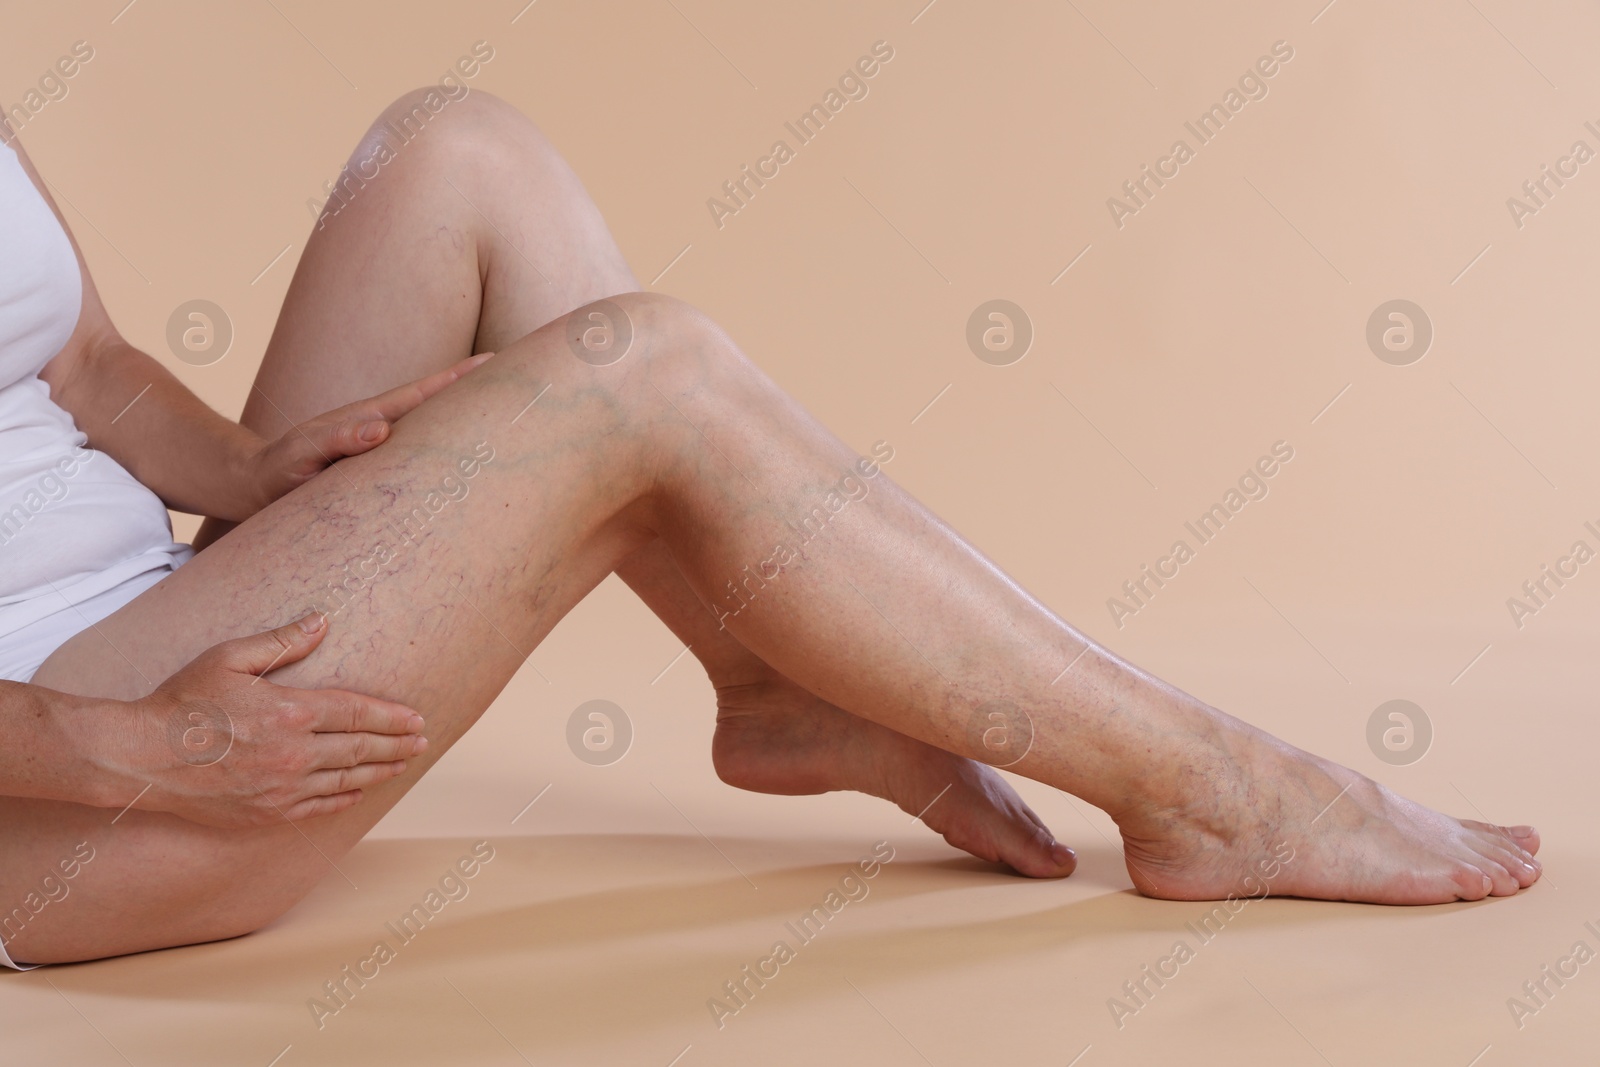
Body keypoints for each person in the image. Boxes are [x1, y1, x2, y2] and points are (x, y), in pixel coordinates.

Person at [0, 89, 1541, 968]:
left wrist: (260, 472)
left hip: (157, 623)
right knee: (644, 377)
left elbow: (86, 364)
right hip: (69, 801)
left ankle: (771, 683)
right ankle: (1217, 794)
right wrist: (137, 751)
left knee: (459, 156)